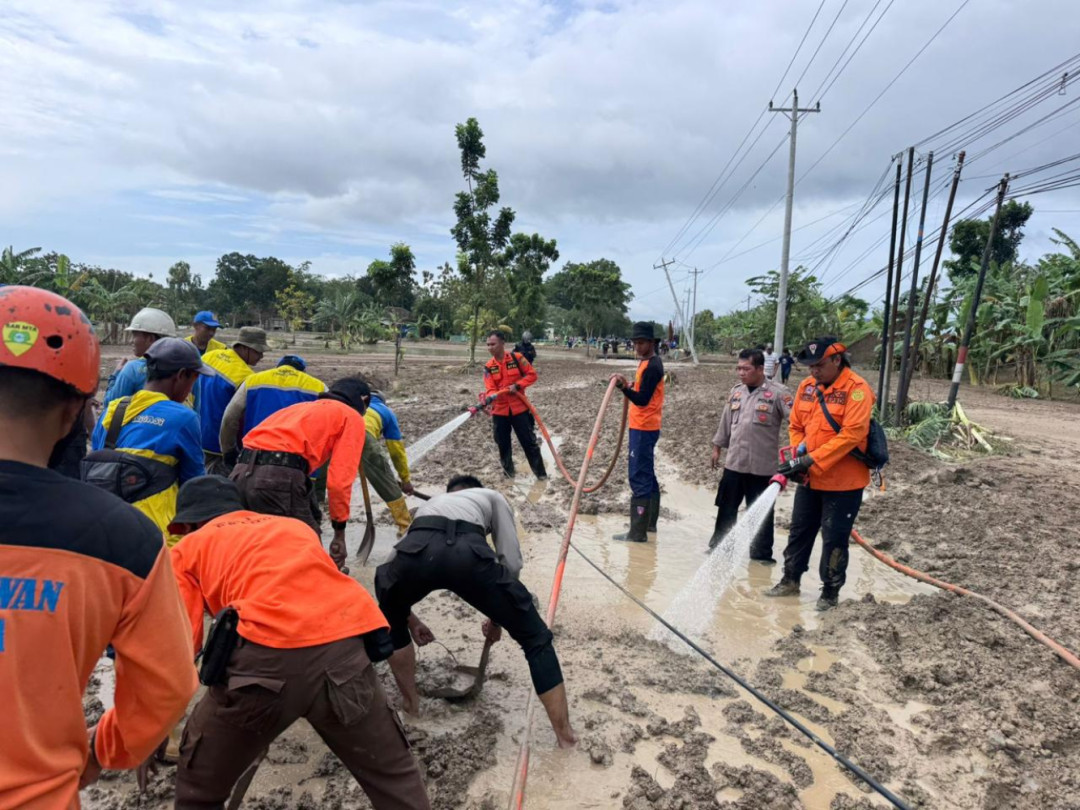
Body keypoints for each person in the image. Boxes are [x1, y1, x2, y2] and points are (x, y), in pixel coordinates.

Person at [0, 286, 197, 807]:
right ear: (76, 410)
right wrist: (103, 752)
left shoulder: (126, 407)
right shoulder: (123, 540)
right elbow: (168, 683)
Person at [168, 476, 431, 810]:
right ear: (240, 508)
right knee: (395, 777)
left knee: (198, 790)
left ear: (190, 522)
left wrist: (157, 725)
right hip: (346, 651)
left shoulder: (187, 548)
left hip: (262, 667)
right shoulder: (294, 528)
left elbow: (181, 645)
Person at [375, 475, 576, 749]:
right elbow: (512, 563)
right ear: (476, 491)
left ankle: (411, 709)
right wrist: (498, 618)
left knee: (392, 621)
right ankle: (565, 740)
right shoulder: (492, 496)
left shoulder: (433, 504)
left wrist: (409, 620)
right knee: (536, 639)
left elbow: (390, 573)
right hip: (466, 553)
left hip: (416, 553)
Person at [766, 337, 875, 610]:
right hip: (810, 478)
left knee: (834, 538)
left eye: (820, 365)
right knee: (799, 531)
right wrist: (796, 452)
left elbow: (852, 435)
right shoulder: (806, 388)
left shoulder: (857, 390)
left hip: (843, 483)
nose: (814, 371)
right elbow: (796, 424)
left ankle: (829, 593)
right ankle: (790, 580)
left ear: (837, 360)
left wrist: (810, 459)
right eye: (810, 366)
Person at [231, 377, 369, 569]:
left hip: (240, 473)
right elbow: (338, 482)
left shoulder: (301, 408)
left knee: (254, 548)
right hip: (277, 478)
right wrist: (339, 534)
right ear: (363, 401)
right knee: (306, 551)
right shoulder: (350, 416)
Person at [86, 337, 209, 544]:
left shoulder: (113, 410)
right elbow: (194, 484)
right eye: (193, 379)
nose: (191, 388)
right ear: (181, 376)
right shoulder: (183, 417)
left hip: (106, 526)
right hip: (157, 535)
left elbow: (100, 461)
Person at [709, 348, 792, 560]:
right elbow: (726, 422)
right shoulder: (736, 391)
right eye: (738, 368)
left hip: (762, 468)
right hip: (735, 464)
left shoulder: (778, 393)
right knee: (726, 508)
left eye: (746, 368)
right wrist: (717, 447)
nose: (741, 373)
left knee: (761, 515)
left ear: (760, 369)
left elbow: (797, 423)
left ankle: (761, 556)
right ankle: (720, 548)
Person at [611, 322, 665, 542]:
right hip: (645, 425)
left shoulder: (653, 366)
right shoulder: (647, 363)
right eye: (635, 342)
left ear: (651, 343)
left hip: (643, 426)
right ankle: (649, 525)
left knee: (639, 476)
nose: (637, 346)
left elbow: (642, 400)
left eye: (641, 342)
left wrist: (624, 389)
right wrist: (631, 386)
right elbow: (644, 391)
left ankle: (637, 533)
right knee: (647, 474)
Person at [218, 354, 326, 460]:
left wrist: (228, 450)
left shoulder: (253, 380)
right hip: (297, 459)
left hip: (254, 455)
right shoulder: (319, 387)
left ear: (277, 367)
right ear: (303, 371)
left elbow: (230, 417)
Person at [197, 326, 268, 474]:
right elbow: (235, 418)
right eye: (258, 351)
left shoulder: (208, 357)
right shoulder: (245, 376)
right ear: (244, 348)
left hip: (195, 434)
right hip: (218, 444)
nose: (261, 356)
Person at [481, 330, 548, 480]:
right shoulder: (488, 367)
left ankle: (541, 476)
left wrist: (517, 386)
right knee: (503, 445)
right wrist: (491, 398)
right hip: (500, 412)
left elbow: (532, 375)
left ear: (503, 343)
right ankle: (509, 475)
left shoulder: (517, 358)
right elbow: (490, 388)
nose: (490, 347)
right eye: (488, 345)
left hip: (520, 410)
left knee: (529, 443)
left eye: (493, 344)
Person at [364, 388, 416, 537]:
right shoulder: (386, 412)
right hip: (363, 435)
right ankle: (405, 526)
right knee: (387, 483)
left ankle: (316, 513)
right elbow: (396, 451)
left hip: (337, 432)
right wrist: (405, 480)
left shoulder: (354, 404)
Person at [102, 306, 178, 406]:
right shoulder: (186, 370)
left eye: (135, 335)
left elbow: (109, 404)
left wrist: (116, 375)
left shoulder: (132, 369)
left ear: (150, 338)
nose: (132, 341)